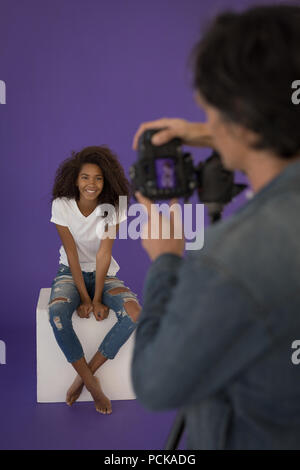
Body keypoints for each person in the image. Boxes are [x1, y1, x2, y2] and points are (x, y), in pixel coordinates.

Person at [130, 5, 300, 449]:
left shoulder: (230, 261)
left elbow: (155, 383)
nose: (206, 119)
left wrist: (166, 261)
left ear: (239, 115)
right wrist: (217, 134)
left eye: (210, 110)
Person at [48, 145, 141, 414]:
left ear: (106, 180)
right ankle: (94, 386)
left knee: (134, 313)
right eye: (85, 177)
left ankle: (84, 377)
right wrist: (85, 298)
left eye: (98, 178)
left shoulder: (113, 206)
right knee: (56, 315)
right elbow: (72, 254)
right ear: (75, 180)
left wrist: (98, 298)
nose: (92, 183)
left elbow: (104, 254)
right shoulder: (62, 206)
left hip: (105, 273)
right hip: (70, 271)